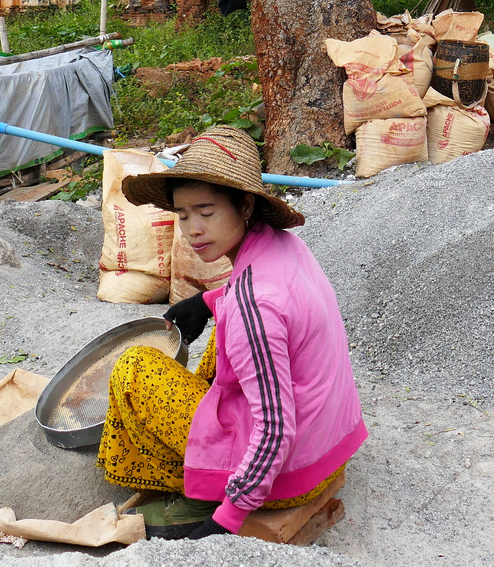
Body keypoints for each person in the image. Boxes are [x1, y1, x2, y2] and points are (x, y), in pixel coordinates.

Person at [97, 126, 365, 540]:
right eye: (183, 215)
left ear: (244, 207)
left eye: (206, 212)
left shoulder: (252, 303)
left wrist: (228, 517)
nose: (192, 229)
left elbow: (276, 428)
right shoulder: (287, 248)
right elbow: (271, 307)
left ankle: (199, 493)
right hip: (327, 442)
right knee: (227, 340)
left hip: (287, 473)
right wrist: (206, 303)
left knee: (134, 368)